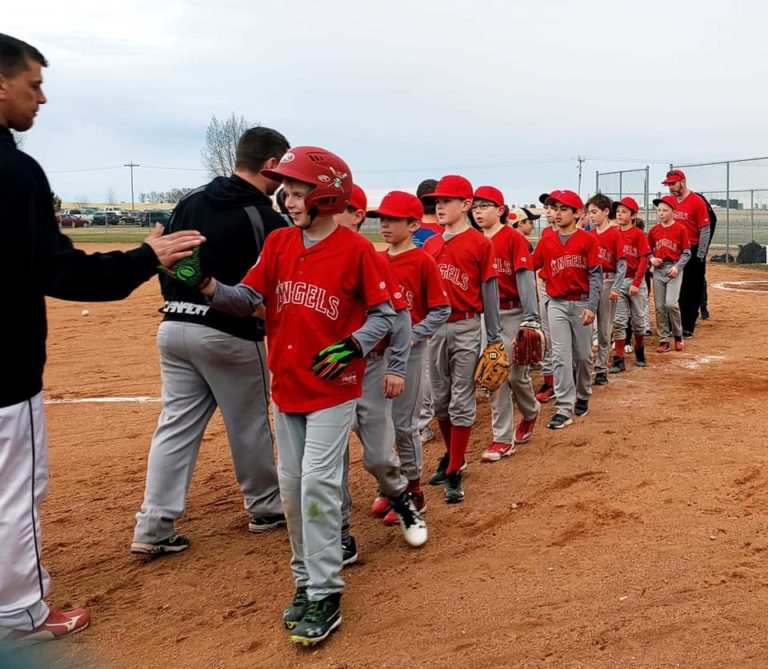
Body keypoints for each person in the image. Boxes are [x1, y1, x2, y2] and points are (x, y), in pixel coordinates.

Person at [0, 33, 205, 644]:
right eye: (32, 84)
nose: (42, 98)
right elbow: (59, 271)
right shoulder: (13, 169)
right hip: (4, 369)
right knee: (16, 491)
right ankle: (20, 613)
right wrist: (147, 256)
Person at [198, 146, 396, 647]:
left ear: (327, 194)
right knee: (291, 491)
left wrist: (353, 344)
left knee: (317, 487)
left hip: (333, 388)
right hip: (286, 386)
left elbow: (386, 316)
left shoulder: (356, 250)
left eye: (298, 190)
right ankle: (306, 581)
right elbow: (247, 300)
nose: (288, 198)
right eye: (286, 189)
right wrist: (204, 285)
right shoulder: (281, 243)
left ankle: (327, 591)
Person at [131, 127, 291, 557]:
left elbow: (166, 256)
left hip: (174, 327)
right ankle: (266, 507)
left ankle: (153, 525)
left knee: (176, 426)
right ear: (271, 166)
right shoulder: (265, 216)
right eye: (285, 168)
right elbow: (269, 287)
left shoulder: (191, 200)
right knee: (250, 424)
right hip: (229, 332)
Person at [333, 185, 428, 558]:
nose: (384, 225)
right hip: (326, 371)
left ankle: (402, 492)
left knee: (378, 454)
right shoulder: (298, 249)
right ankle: (338, 533)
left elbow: (400, 318)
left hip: (372, 364)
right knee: (328, 456)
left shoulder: (368, 258)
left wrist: (397, 366)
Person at [369, 191, 450, 524]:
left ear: (414, 223)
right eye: (382, 219)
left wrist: (412, 335)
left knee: (404, 425)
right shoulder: (376, 259)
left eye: (393, 219)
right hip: (376, 355)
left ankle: (414, 490)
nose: (385, 225)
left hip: (412, 354)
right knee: (376, 426)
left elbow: (441, 309)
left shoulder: (421, 261)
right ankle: (391, 485)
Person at [421, 175, 501, 502]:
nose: (439, 207)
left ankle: (454, 469)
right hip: (434, 330)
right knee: (440, 400)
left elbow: (489, 291)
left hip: (468, 326)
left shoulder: (481, 244)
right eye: (436, 202)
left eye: (446, 201)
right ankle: (456, 456)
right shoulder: (430, 244)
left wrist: (494, 338)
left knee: (461, 400)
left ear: (466, 205)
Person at [471, 187, 540, 461]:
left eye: (484, 206)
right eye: (474, 207)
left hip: (512, 312)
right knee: (494, 374)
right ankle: (502, 438)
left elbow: (524, 278)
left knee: (516, 375)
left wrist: (531, 318)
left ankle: (531, 410)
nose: (478, 212)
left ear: (500, 210)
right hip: (483, 315)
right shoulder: (473, 240)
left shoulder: (512, 238)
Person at [532, 190, 601, 429]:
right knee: (561, 355)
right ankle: (563, 407)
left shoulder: (588, 239)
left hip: (581, 302)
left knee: (582, 355)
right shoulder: (546, 239)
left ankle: (583, 393)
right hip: (557, 303)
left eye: (563, 209)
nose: (557, 213)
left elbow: (595, 275)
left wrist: (592, 306)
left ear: (577, 213)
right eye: (555, 208)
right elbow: (531, 263)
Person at [662, 169, 710, 337]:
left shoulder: (696, 201)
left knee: (692, 288)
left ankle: (688, 324)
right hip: (674, 250)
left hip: (693, 248)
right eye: (668, 184)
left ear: (683, 181)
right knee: (673, 287)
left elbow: (704, 229)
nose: (671, 188)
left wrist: (700, 255)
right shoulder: (668, 201)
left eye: (673, 183)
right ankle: (672, 324)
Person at [585, 194, 626, 386]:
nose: (591, 216)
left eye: (594, 212)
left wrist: (616, 286)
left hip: (608, 282)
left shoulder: (614, 233)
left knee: (604, 328)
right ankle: (585, 366)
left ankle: (601, 368)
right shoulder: (589, 235)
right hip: (590, 283)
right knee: (586, 327)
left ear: (606, 212)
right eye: (589, 213)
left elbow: (622, 263)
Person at [609, 197, 651, 373]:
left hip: (636, 282)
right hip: (618, 282)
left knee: (638, 322)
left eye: (624, 212)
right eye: (618, 211)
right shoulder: (613, 233)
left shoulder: (638, 234)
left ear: (633, 215)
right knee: (619, 322)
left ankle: (639, 350)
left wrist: (636, 282)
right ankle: (619, 358)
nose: (619, 214)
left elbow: (644, 259)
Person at [414, 178, 441, 446]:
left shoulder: (409, 229)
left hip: (410, 305)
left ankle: (420, 422)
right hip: (438, 306)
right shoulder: (445, 233)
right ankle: (424, 421)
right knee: (430, 367)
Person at [649, 196, 691, 352]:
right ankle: (663, 339)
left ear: (673, 212)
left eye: (665, 210)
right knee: (659, 307)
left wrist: (677, 267)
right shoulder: (654, 230)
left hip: (674, 270)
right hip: (659, 271)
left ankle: (678, 335)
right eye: (659, 210)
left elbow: (687, 253)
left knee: (671, 304)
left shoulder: (680, 229)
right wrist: (652, 259)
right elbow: (647, 251)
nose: (661, 213)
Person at [534, 193, 559, 404]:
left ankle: (572, 378)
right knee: (548, 339)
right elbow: (534, 263)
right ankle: (550, 382)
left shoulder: (581, 236)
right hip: (548, 289)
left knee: (570, 344)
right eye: (549, 207)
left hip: (572, 296)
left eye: (555, 207)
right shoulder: (546, 233)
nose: (550, 211)